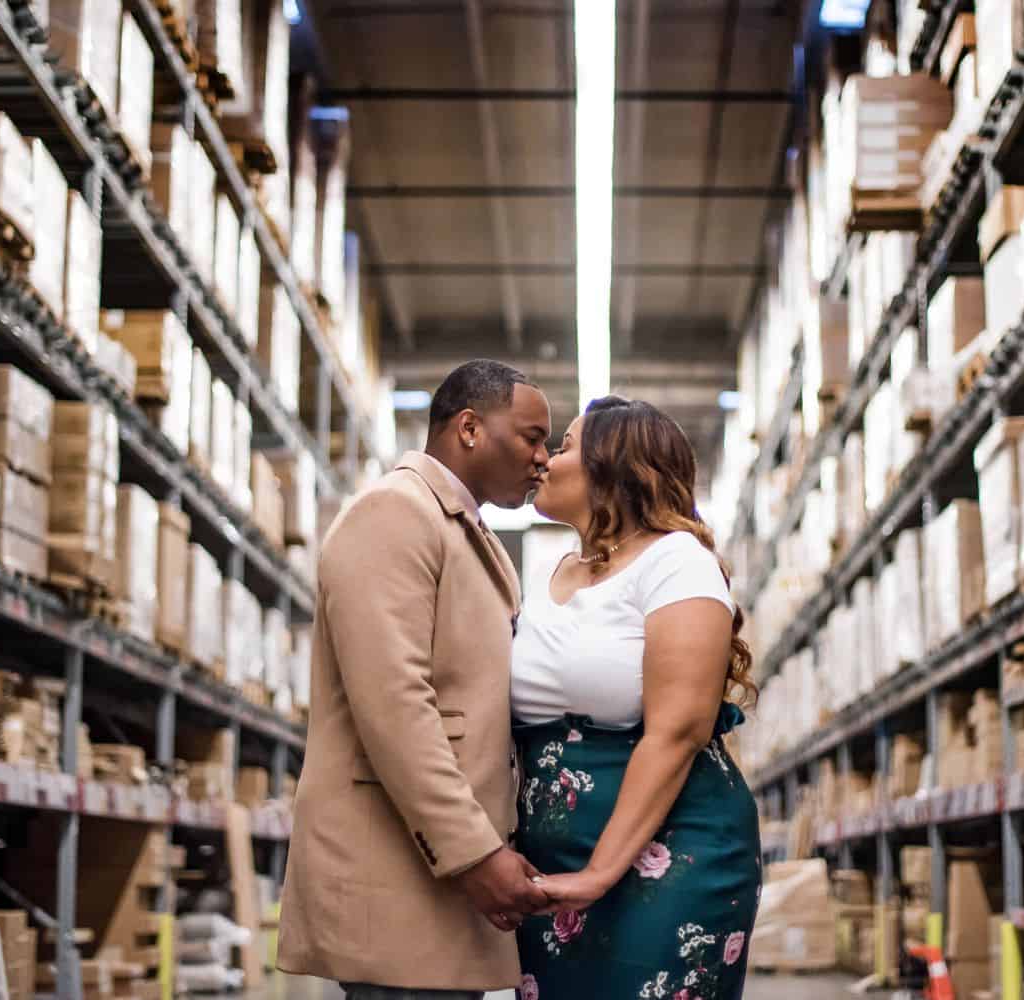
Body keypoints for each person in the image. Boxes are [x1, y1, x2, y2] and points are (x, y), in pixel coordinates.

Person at [278, 360, 554, 999]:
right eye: (531, 437)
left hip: (434, 876)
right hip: (401, 874)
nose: (542, 458)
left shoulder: (463, 531)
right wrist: (476, 854)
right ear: (468, 428)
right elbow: (396, 707)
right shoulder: (393, 514)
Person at [510, 396, 762, 1000]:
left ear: (612, 467)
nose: (544, 458)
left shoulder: (677, 561)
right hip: (557, 859)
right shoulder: (548, 574)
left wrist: (599, 874)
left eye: (564, 446)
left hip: (674, 850)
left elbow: (680, 730)